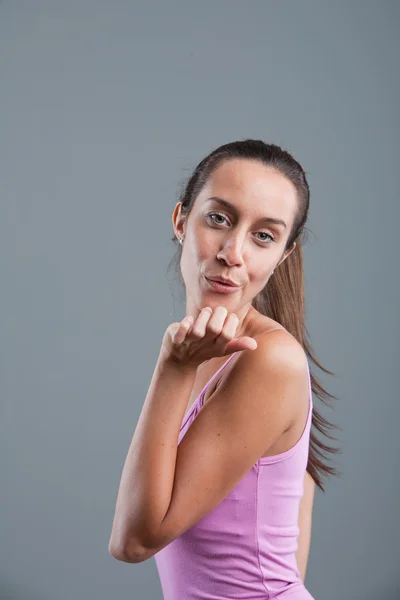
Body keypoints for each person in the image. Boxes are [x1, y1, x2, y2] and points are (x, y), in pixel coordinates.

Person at [108, 140, 340, 599]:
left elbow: (133, 542)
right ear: (180, 221)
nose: (233, 252)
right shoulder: (210, 349)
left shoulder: (269, 360)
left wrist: (173, 367)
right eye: (219, 218)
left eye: (264, 236)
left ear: (283, 256)